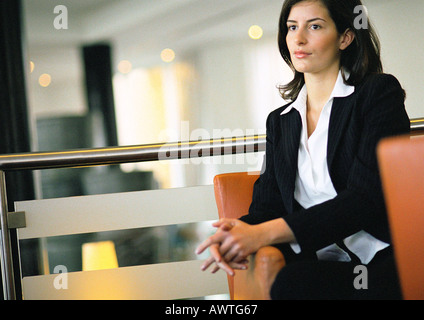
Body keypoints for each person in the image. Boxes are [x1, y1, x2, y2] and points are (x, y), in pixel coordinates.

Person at [196, 0, 410, 299]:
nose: (298, 38)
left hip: (381, 259)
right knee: (294, 280)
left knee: (293, 284)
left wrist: (262, 234)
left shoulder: (377, 95)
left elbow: (366, 199)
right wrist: (233, 235)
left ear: (345, 37)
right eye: (292, 27)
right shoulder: (280, 121)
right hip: (316, 259)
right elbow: (266, 207)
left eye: (315, 26)